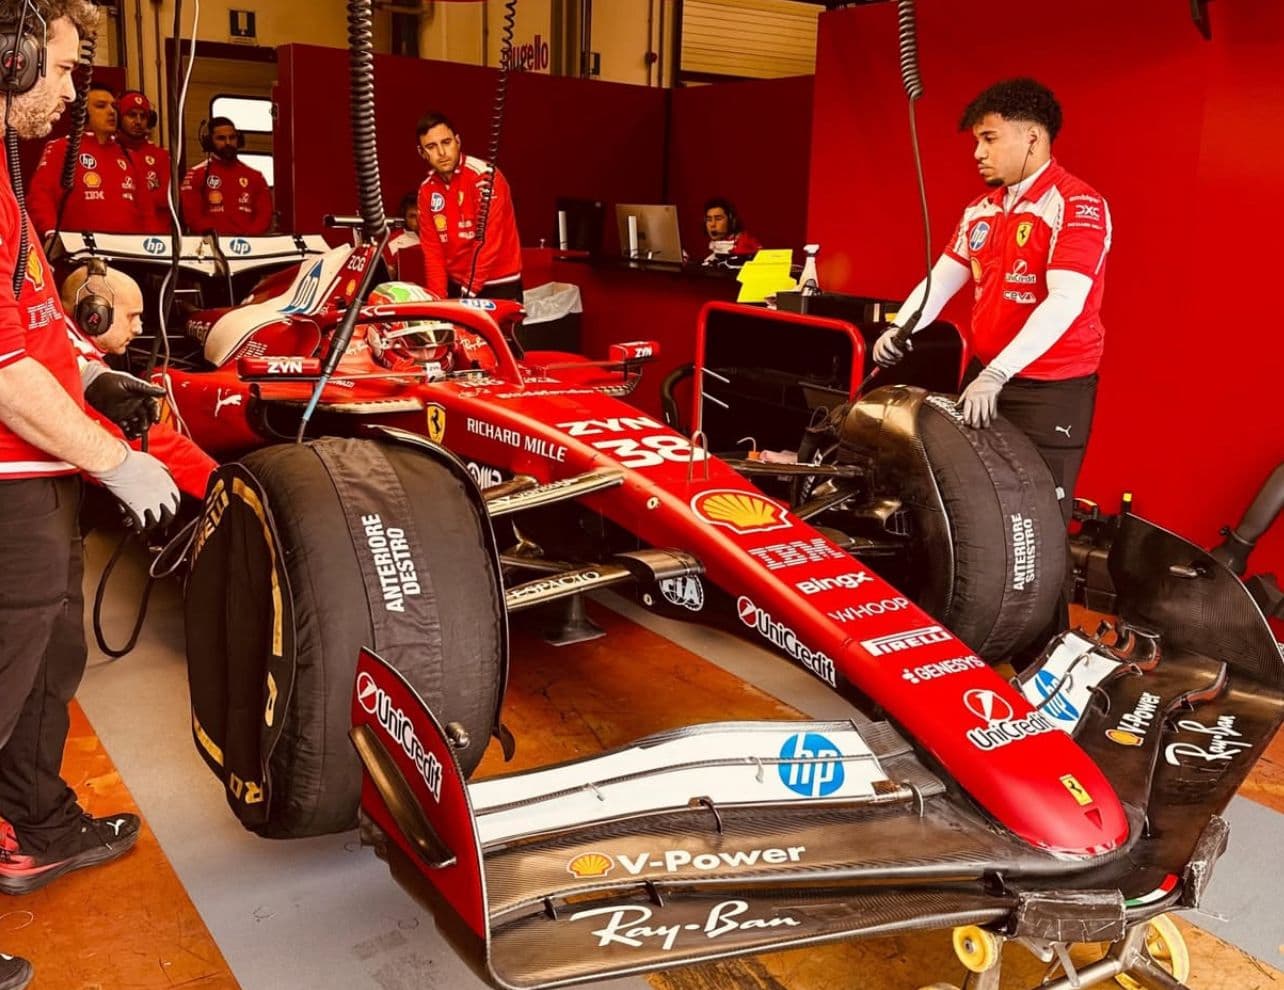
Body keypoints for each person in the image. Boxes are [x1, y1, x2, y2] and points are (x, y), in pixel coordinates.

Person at [0, 6, 180, 988]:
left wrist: (96, 375)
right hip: (7, 473)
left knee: (50, 654)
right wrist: (119, 463)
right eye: (64, 71)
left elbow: (27, 321)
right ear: (11, 55)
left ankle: (33, 824)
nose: (75, 96)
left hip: (37, 471)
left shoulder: (6, 173)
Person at [874, 78, 1110, 524]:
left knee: (1039, 522)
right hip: (986, 377)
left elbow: (1066, 300)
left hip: (1051, 388)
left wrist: (999, 372)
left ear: (1033, 137)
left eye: (989, 138)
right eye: (976, 141)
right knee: (972, 509)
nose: (978, 153)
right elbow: (941, 282)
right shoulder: (980, 209)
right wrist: (900, 328)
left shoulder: (1078, 204)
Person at [60, 263, 216, 498]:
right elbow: (157, 445)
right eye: (132, 316)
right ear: (94, 315)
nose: (139, 328)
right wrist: (225, 488)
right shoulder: (80, 368)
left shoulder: (58, 344)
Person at [415, 111, 522, 300]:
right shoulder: (426, 192)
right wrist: (438, 302)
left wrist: (468, 293)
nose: (441, 153)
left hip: (500, 283)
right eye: (431, 146)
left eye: (446, 142)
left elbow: (488, 242)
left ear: (457, 141)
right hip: (458, 285)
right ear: (422, 153)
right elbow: (433, 254)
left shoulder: (485, 176)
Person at [27, 82, 145, 237]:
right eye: (101, 106)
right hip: (82, 253)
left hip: (129, 253)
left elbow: (146, 210)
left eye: (114, 107)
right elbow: (40, 196)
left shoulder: (129, 155)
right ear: (82, 112)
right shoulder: (62, 148)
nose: (111, 112)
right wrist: (51, 233)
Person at [180, 116, 272, 236]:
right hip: (211, 247)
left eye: (232, 137)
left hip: (249, 247)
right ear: (209, 142)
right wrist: (215, 236)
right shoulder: (196, 174)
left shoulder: (255, 176)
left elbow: (264, 216)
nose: (228, 143)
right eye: (221, 138)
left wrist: (248, 238)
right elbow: (192, 217)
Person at [116, 90, 170, 235]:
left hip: (156, 238)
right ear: (118, 118)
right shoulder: (110, 152)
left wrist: (129, 197)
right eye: (132, 115)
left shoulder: (161, 156)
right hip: (118, 234)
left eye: (143, 116)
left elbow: (168, 196)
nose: (138, 121)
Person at [701, 197, 761, 265]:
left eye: (718, 219)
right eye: (709, 219)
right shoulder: (711, 257)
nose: (712, 224)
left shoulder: (748, 247)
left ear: (731, 221)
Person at [383, 190, 421, 280]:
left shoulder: (439, 238)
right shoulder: (391, 241)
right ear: (404, 217)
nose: (418, 220)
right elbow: (385, 276)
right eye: (412, 216)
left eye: (421, 214)